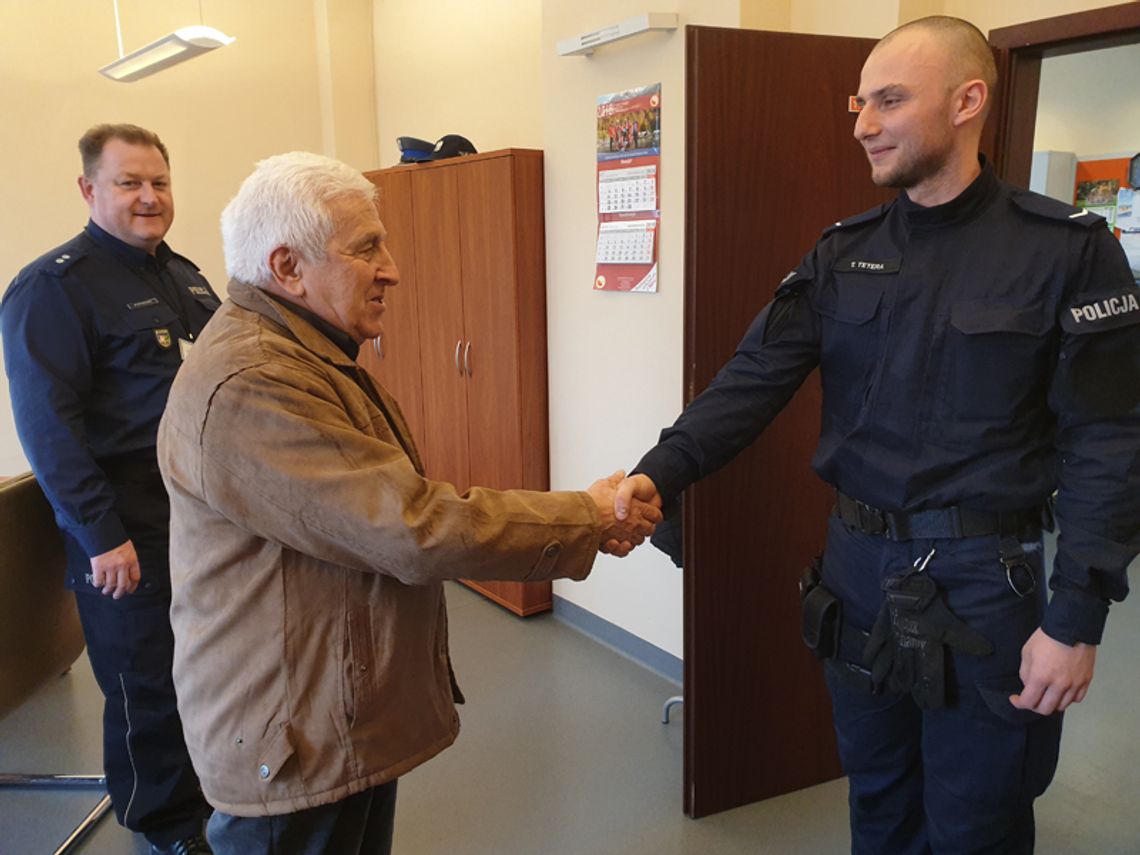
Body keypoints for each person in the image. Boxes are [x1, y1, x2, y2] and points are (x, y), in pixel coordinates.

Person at [614, 16, 1139, 855]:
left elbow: (1111, 443)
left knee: (979, 819)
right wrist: (659, 473)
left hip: (986, 583)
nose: (862, 123)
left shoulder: (1065, 252)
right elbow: (751, 380)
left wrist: (1077, 616)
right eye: (860, 102)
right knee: (879, 801)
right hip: (857, 571)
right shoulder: (842, 253)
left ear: (969, 101)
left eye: (890, 101)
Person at [155, 151, 661, 855]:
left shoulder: (304, 350)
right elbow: (411, 526)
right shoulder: (256, 380)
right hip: (293, 739)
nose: (392, 267)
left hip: (323, 721)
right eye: (367, 248)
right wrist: (587, 513)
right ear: (287, 266)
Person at [1, 124, 218, 854]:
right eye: (129, 182)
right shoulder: (52, 288)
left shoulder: (185, 276)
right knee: (145, 683)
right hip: (124, 519)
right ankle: (163, 826)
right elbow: (48, 427)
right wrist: (100, 534)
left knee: (203, 667)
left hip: (201, 515)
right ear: (90, 189)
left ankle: (205, 798)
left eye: (159, 181)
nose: (149, 196)